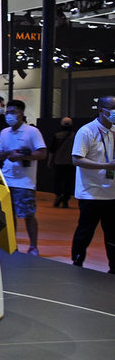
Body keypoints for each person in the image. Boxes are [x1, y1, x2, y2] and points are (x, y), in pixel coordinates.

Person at [0, 99, 47, 256]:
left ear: (21, 113)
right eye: (8, 112)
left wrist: (22, 155)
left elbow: (42, 153)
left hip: (25, 182)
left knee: (28, 215)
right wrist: (10, 154)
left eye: (13, 112)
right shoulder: (4, 132)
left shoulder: (32, 132)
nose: (9, 115)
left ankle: (33, 246)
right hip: (6, 179)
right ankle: (12, 245)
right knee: (9, 215)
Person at [70, 96, 115, 272]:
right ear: (101, 110)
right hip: (90, 192)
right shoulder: (86, 131)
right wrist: (106, 166)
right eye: (112, 108)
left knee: (112, 233)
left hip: (112, 193)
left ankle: (113, 267)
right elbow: (77, 159)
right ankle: (77, 261)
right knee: (85, 230)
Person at [48, 116, 75, 207]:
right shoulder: (74, 136)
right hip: (70, 163)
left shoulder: (57, 136)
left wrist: (49, 162)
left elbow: (52, 150)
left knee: (57, 180)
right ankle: (66, 200)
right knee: (69, 182)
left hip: (58, 162)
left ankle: (58, 195)